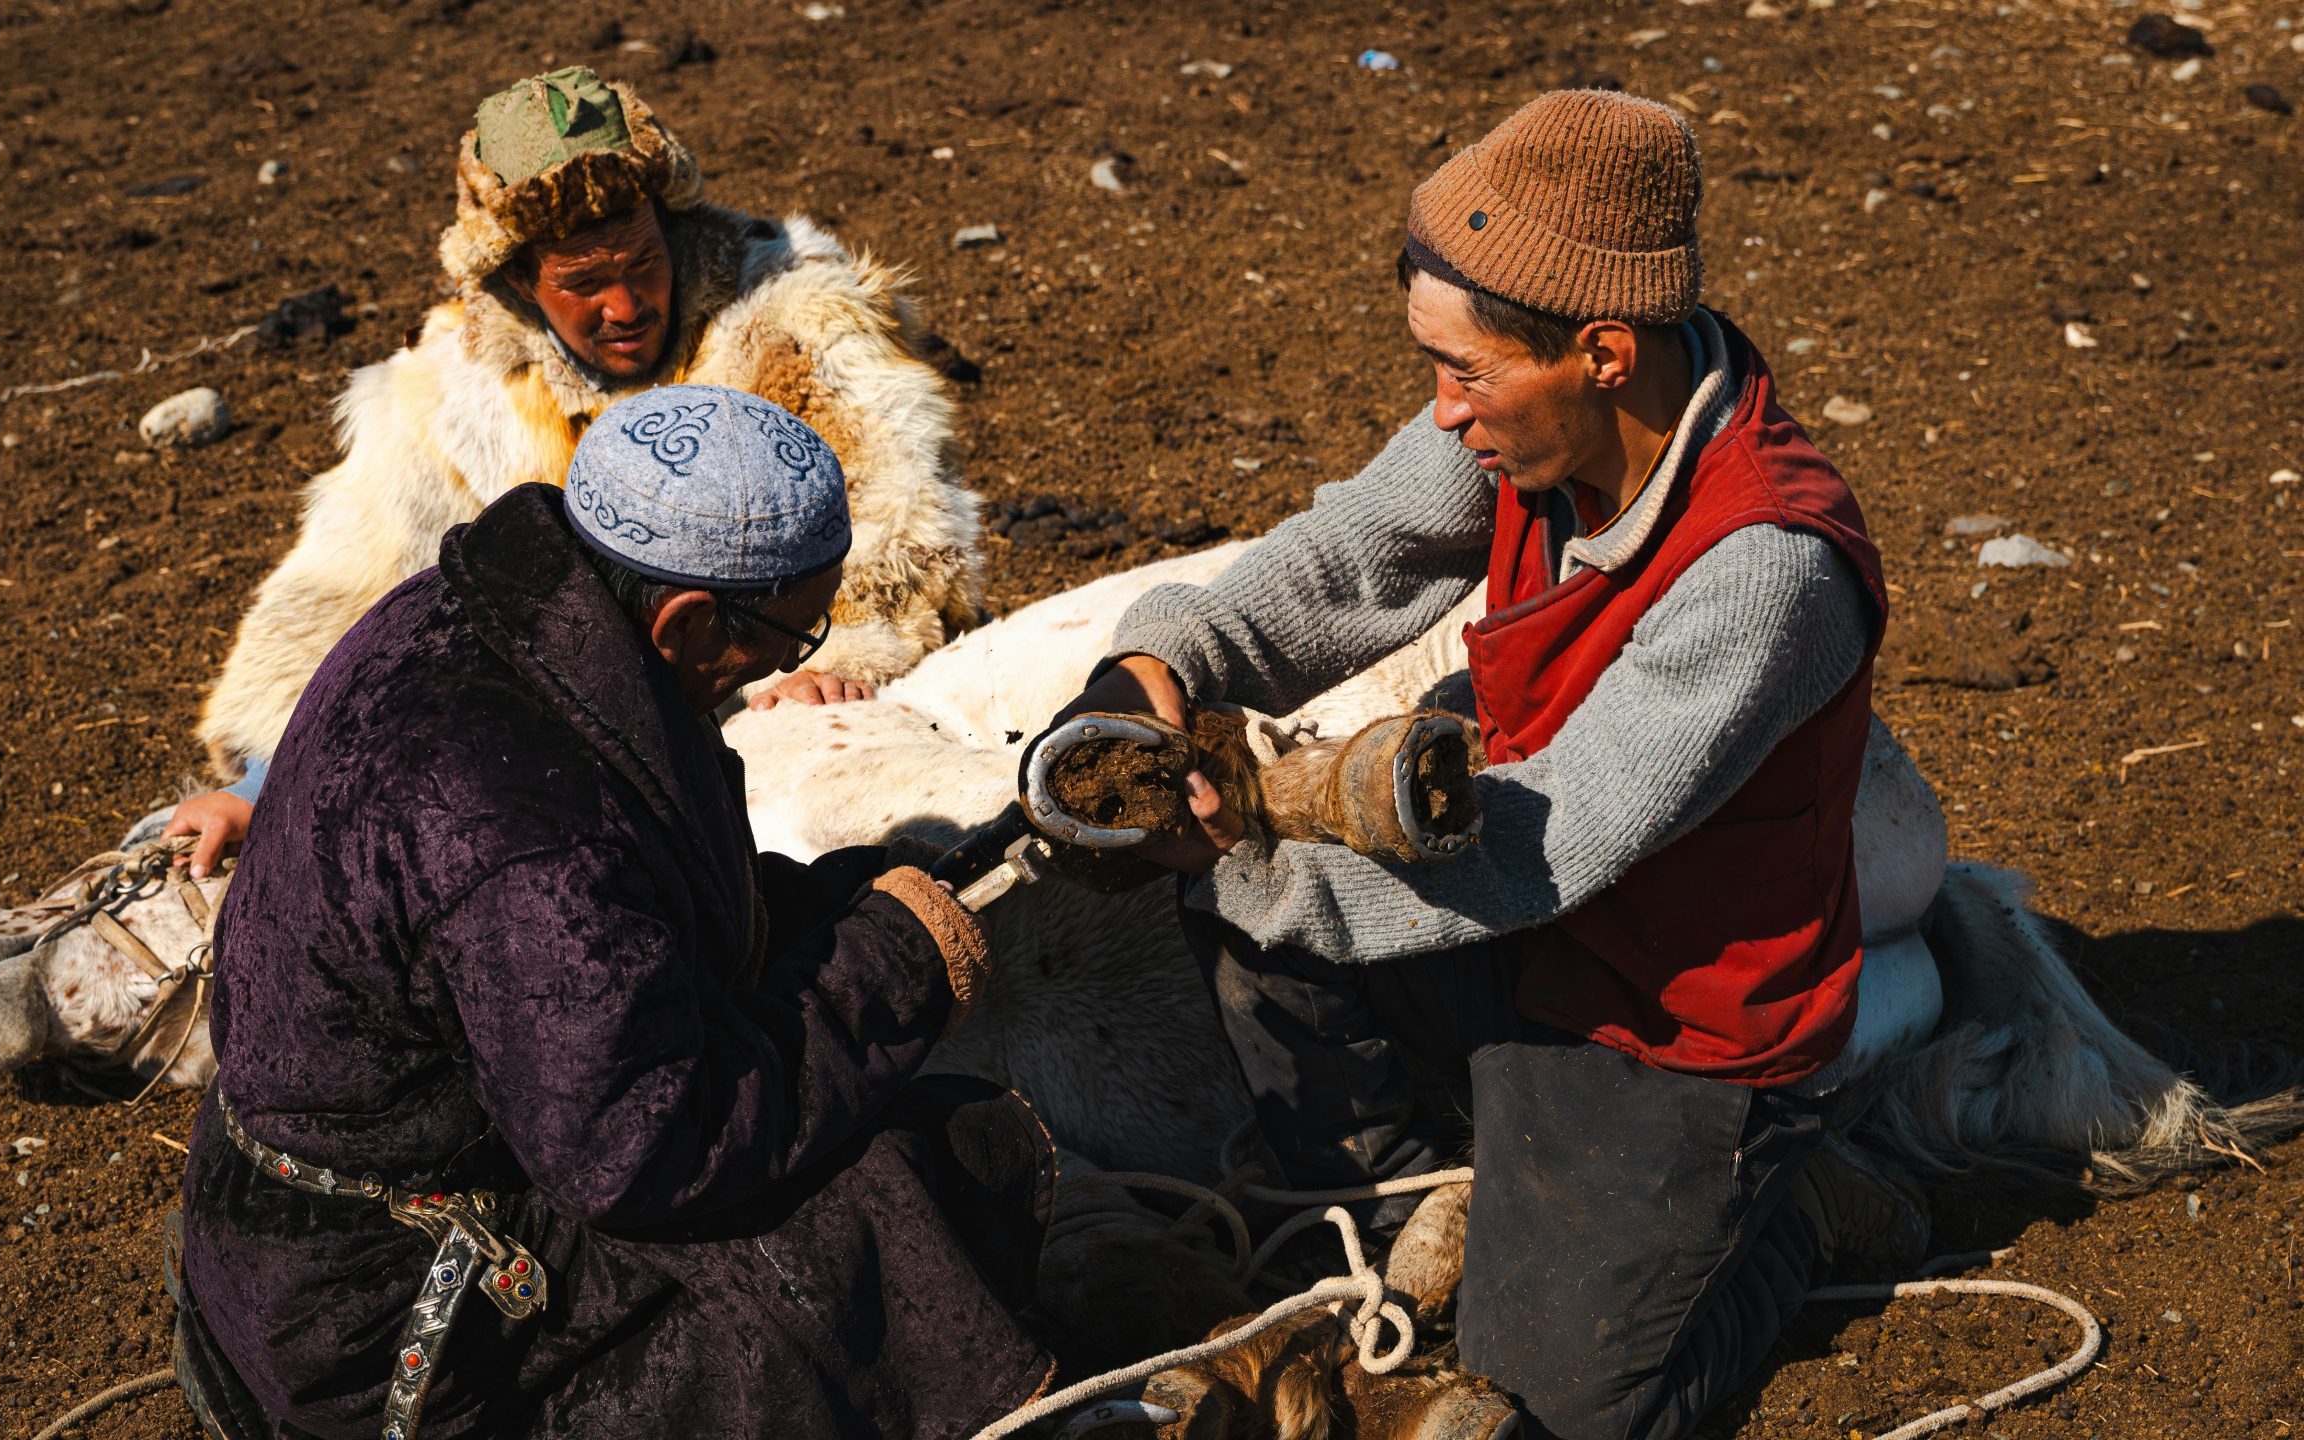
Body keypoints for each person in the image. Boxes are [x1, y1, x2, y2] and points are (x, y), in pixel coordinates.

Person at [1053, 90, 1923, 1440]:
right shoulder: (1533, 423)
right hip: (1515, 928)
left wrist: (1260, 864)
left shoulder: (1764, 571)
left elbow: (1550, 844)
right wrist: (1159, 665)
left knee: (1564, 1413)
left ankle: (1779, 1217)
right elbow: (1351, 558)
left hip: (1663, 1023)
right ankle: (1407, 1206)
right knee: (1252, 912)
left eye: (1466, 374)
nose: (1441, 412)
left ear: (1603, 353)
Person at [172, 384, 1052, 1440]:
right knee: (910, 1187)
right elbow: (643, 1150)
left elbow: (633, 927)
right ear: (686, 618)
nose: (795, 660)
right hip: (387, 1306)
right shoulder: (524, 824)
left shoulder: (469, 613)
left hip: (306, 1215)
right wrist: (891, 965)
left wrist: (854, 900)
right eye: (795, 630)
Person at [166, 67, 983, 872]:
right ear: (520, 280)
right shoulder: (454, 391)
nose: (625, 306)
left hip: (787, 690)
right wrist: (273, 779)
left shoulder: (790, 318)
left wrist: (827, 664)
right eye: (584, 282)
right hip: (576, 748)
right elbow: (364, 600)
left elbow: (894, 524)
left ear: (671, 225)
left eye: (644, 261)